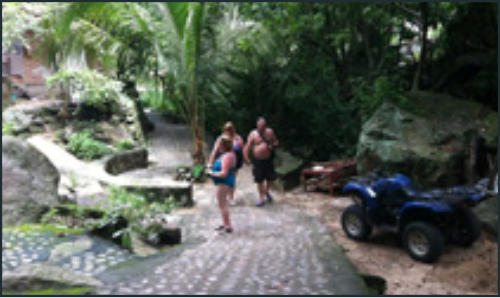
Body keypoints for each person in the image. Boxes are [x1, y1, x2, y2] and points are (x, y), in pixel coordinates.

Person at [244, 117, 279, 207]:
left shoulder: (270, 132)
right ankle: (261, 198)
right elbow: (247, 146)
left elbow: (276, 141)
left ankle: (266, 191)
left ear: (265, 126)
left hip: (268, 159)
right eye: (259, 126)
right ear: (257, 125)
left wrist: (273, 145)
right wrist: (246, 157)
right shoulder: (253, 134)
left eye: (262, 126)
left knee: (271, 178)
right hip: (257, 160)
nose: (261, 127)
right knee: (259, 179)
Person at [207, 122, 245, 202]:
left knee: (232, 179)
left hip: (234, 162)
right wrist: (210, 163)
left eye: (230, 129)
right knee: (222, 178)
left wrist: (243, 160)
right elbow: (214, 151)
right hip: (223, 160)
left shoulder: (238, 138)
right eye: (227, 129)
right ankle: (222, 195)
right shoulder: (221, 138)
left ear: (233, 129)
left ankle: (231, 197)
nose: (228, 131)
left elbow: (242, 151)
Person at [206, 135, 236, 233]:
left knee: (222, 204)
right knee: (222, 203)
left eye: (220, 145)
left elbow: (224, 173)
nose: (218, 147)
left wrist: (212, 173)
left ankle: (228, 225)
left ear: (223, 146)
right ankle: (225, 223)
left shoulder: (227, 157)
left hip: (224, 182)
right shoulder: (228, 154)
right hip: (224, 182)